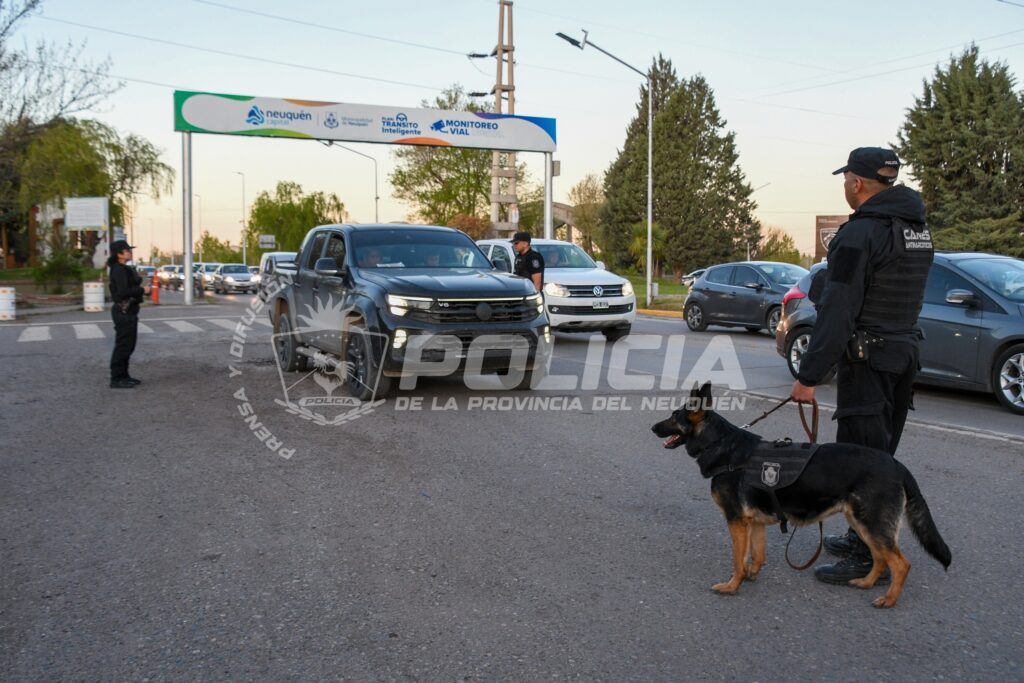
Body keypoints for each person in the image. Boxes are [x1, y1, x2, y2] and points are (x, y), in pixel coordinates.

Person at [789, 147, 934, 585]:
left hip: (868, 360)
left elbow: (839, 309)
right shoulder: (916, 228)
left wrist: (809, 376)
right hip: (902, 355)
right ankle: (860, 537)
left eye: (846, 178)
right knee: (880, 454)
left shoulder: (860, 234)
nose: (845, 186)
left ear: (856, 182)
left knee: (862, 463)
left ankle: (866, 555)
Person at [107, 240, 151, 389]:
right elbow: (123, 292)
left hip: (129, 310)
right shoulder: (118, 270)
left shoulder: (123, 268)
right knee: (123, 345)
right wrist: (142, 290)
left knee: (128, 345)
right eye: (127, 250)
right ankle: (117, 378)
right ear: (119, 254)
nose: (130, 252)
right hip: (123, 311)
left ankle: (124, 376)